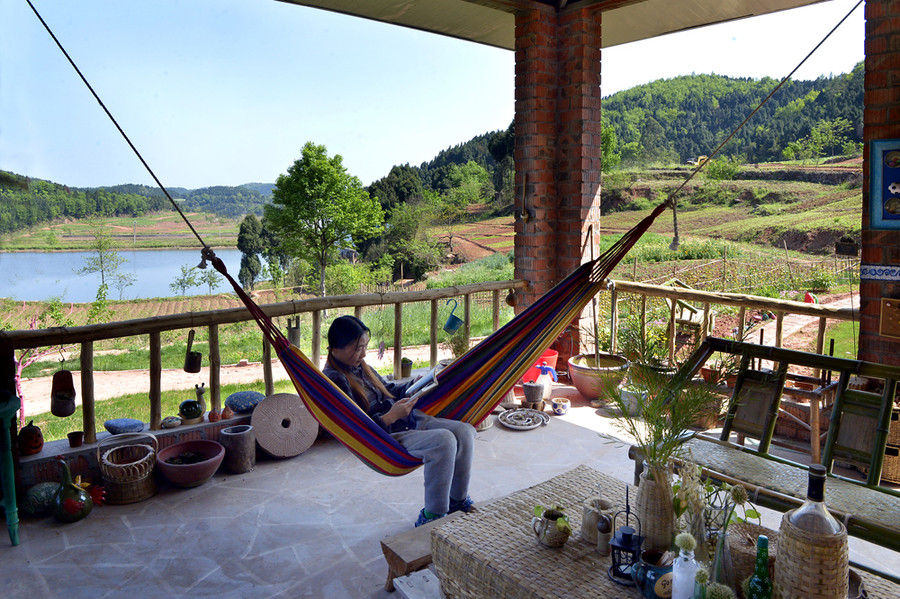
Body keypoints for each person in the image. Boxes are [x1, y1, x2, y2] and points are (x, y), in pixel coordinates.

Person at [323, 315, 476, 526]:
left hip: (406, 418)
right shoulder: (334, 379)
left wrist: (416, 383)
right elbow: (356, 427)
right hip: (387, 436)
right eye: (357, 348)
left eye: (364, 347)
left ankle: (457, 501)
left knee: (464, 432)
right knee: (445, 441)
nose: (363, 353)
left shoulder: (360, 366)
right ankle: (433, 516)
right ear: (337, 347)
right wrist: (390, 416)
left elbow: (389, 390)